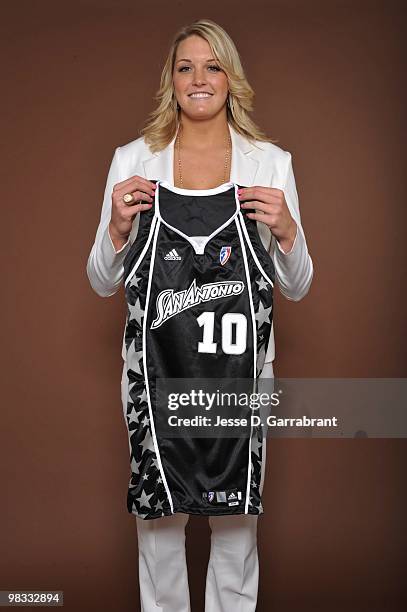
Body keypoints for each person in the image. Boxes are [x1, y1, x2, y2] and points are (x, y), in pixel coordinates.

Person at [86, 18, 313, 612]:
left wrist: (287, 230)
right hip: (153, 376)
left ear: (231, 78)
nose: (199, 78)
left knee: (235, 527)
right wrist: (115, 227)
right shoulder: (133, 160)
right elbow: (102, 279)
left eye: (213, 66)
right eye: (185, 66)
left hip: (240, 375)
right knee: (159, 528)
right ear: (171, 80)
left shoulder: (271, 162)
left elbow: (297, 285)